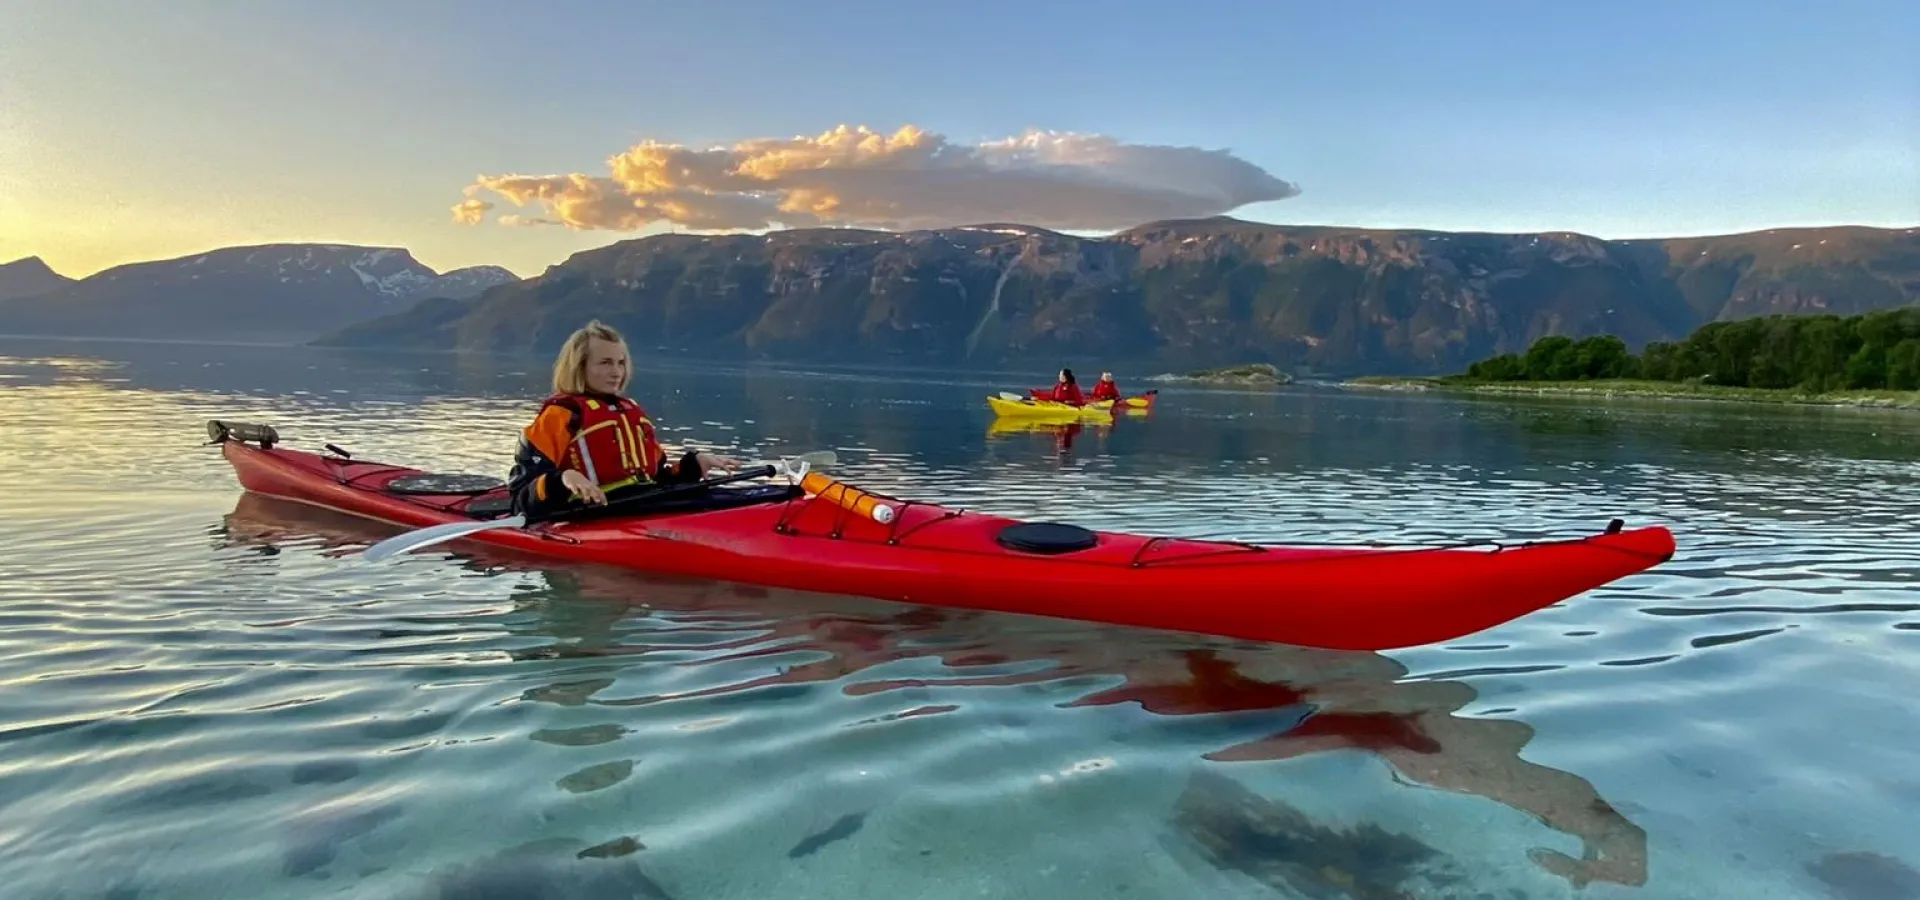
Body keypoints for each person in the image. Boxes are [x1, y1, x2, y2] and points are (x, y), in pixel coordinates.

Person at [507, 320, 741, 516]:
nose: (617, 372)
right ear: (579, 366)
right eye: (605, 363)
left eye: (620, 363)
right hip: (593, 512)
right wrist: (562, 478)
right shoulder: (560, 415)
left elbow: (658, 479)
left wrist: (693, 466)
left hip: (641, 503)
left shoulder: (630, 412)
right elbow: (520, 500)